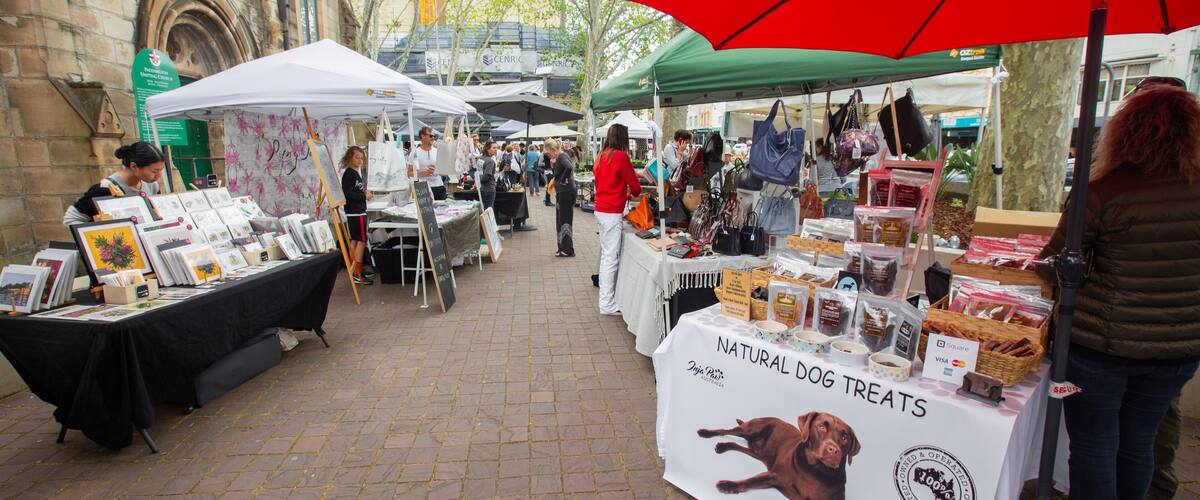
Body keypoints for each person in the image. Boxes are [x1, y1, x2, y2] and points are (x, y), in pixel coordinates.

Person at [1036, 80, 1200, 500]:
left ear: (1125, 132)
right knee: (1139, 440)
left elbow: (1056, 263)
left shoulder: (1104, 191)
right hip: (1177, 349)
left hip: (1100, 349)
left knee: (1093, 444)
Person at [593, 124, 640, 315]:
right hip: (612, 211)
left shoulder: (601, 156)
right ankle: (606, 303)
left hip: (601, 208)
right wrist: (632, 189)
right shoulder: (621, 157)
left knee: (607, 255)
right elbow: (635, 186)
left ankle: (607, 300)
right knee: (610, 258)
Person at [64, 141, 164, 225]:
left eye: (161, 170)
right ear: (134, 166)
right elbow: (71, 218)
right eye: (154, 171)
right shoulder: (104, 189)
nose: (159, 176)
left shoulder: (152, 185)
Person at [340, 146, 373, 285]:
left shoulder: (355, 173)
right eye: (357, 157)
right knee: (361, 240)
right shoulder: (349, 174)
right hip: (355, 212)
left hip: (358, 211)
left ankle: (354, 269)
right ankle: (356, 272)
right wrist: (364, 195)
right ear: (350, 158)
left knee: (355, 240)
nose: (359, 160)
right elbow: (348, 195)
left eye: (361, 158)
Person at [543, 138, 575, 257]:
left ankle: (567, 249)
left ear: (553, 149)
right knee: (560, 220)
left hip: (566, 192)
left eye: (548, 152)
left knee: (564, 220)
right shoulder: (559, 158)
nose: (548, 154)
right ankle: (562, 247)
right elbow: (558, 172)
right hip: (563, 192)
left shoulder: (562, 157)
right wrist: (552, 164)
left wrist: (563, 180)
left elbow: (569, 168)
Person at [409, 126, 445, 200]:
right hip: (422, 188)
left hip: (438, 187)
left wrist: (437, 170)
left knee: (442, 210)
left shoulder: (438, 152)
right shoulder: (415, 153)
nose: (433, 138)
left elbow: (445, 172)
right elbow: (409, 172)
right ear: (422, 136)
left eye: (434, 136)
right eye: (431, 136)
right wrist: (421, 173)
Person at [478, 140, 498, 211]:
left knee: (484, 209)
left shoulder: (480, 158)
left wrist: (478, 181)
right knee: (489, 210)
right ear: (487, 149)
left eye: (497, 148)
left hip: (481, 188)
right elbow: (485, 177)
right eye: (494, 148)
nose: (496, 150)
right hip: (489, 188)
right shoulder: (490, 161)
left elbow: (478, 173)